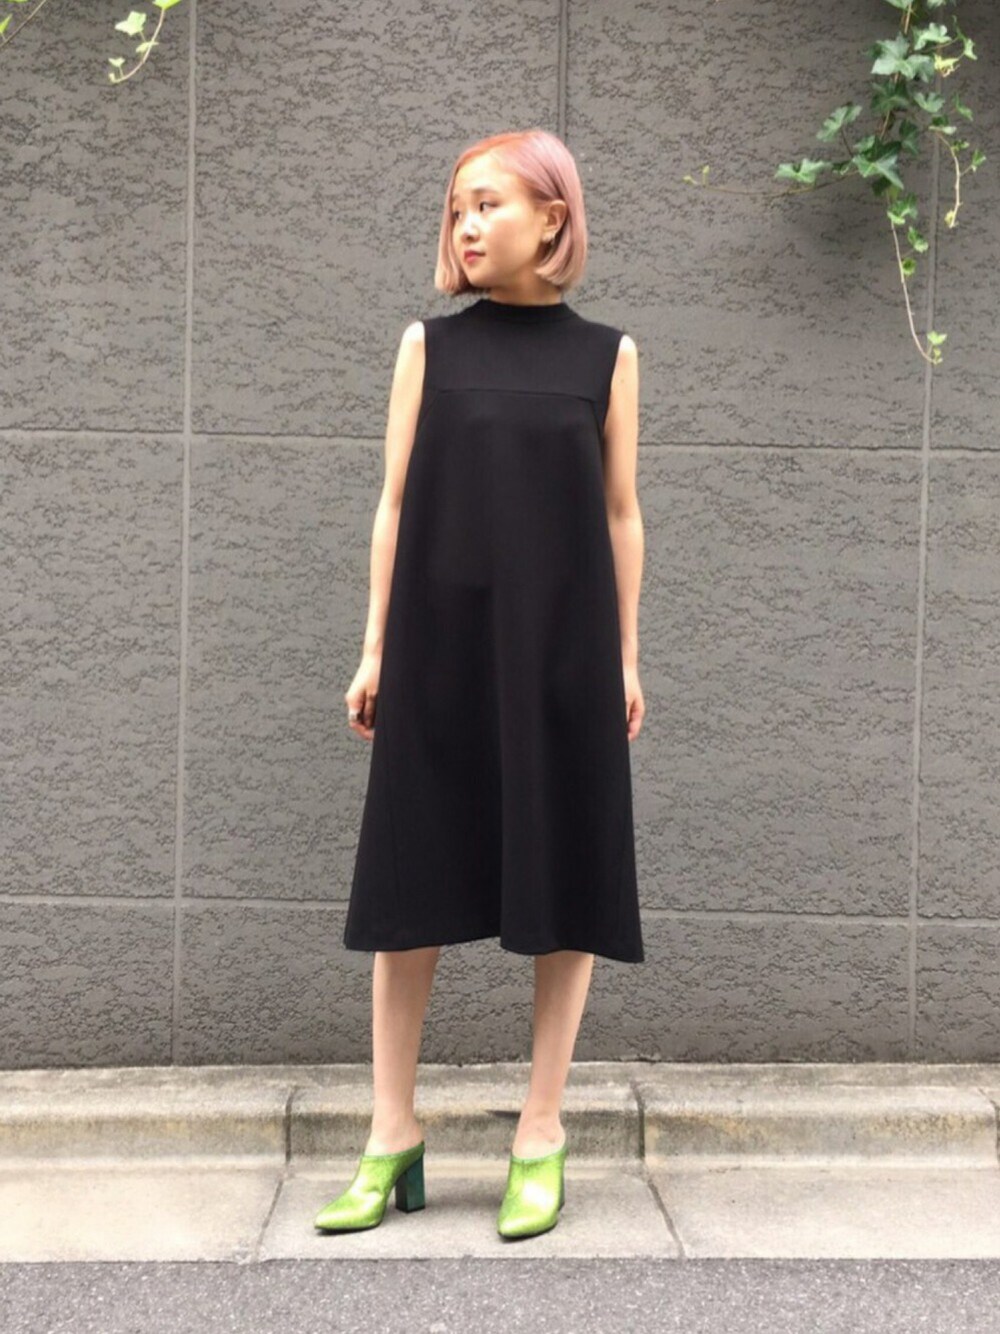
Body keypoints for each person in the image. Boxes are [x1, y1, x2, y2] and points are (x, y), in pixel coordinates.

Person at [314, 127, 645, 1242]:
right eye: (456, 206)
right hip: (440, 644)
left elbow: (621, 515)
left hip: (562, 652)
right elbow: (394, 503)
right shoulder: (430, 347)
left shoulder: (608, 356)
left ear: (553, 217)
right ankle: (390, 1132)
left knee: (565, 879)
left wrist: (625, 656)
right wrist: (375, 647)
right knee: (411, 885)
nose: (465, 224)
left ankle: (540, 1131)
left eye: (488, 203)